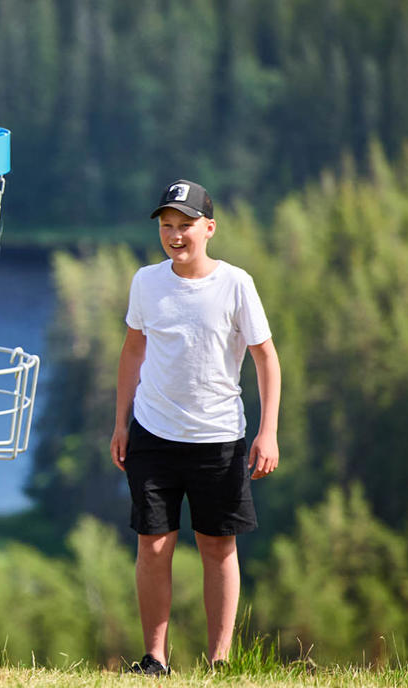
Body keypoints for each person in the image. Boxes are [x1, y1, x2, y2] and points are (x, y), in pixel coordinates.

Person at [108, 180, 281, 676]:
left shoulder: (236, 284)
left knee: (217, 546)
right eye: (167, 226)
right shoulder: (146, 281)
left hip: (219, 440)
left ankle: (219, 664)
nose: (175, 235)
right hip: (152, 436)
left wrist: (267, 432)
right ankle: (154, 660)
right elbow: (133, 351)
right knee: (153, 545)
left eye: (186, 226)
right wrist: (121, 423)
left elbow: (266, 358)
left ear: (209, 228)